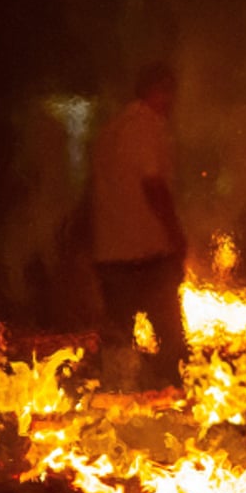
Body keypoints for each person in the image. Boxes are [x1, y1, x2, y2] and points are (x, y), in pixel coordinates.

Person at [89, 61, 188, 392]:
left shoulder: (111, 130)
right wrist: (175, 235)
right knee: (171, 342)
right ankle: (169, 404)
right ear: (158, 90)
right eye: (169, 92)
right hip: (146, 254)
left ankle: (119, 412)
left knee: (118, 343)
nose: (172, 102)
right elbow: (153, 186)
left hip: (111, 254)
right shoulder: (144, 127)